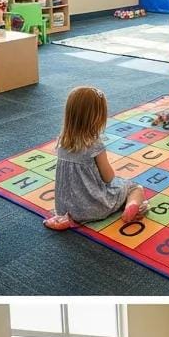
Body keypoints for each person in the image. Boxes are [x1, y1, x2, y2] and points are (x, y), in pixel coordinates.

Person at [42, 86, 148, 231]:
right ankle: (131, 207)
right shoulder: (95, 145)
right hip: (97, 207)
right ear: (97, 117)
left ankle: (64, 219)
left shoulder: (61, 141)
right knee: (134, 187)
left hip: (68, 209)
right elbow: (108, 178)